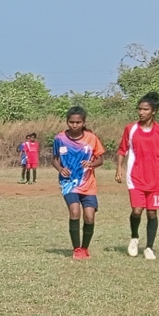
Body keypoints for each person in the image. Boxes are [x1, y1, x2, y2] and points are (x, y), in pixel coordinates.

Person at [115, 92, 159, 260]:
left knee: (152, 213)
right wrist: (119, 168)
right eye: (139, 109)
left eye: (145, 109)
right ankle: (134, 237)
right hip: (135, 177)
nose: (141, 112)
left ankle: (149, 247)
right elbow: (122, 150)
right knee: (137, 210)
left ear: (153, 111)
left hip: (155, 179)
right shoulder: (130, 129)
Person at [54, 108, 104, 259]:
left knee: (89, 216)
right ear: (67, 122)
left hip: (88, 183)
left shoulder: (91, 138)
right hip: (69, 183)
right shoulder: (60, 139)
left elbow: (100, 159)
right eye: (71, 122)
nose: (75, 125)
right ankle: (76, 249)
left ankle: (85, 248)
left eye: (78, 122)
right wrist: (61, 169)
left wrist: (91, 164)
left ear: (83, 122)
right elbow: (54, 159)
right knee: (75, 211)